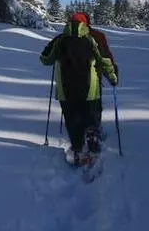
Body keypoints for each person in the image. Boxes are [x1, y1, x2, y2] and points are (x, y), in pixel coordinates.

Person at [40, 12, 118, 165]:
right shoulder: (95, 37)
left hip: (65, 90)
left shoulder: (60, 39)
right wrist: (113, 78)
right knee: (91, 116)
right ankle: (92, 145)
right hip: (90, 89)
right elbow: (105, 60)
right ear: (86, 23)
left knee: (72, 119)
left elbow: (45, 59)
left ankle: (77, 149)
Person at [82, 12, 119, 142]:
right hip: (93, 77)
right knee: (94, 105)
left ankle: (78, 131)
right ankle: (93, 131)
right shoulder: (98, 36)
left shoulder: (66, 37)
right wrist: (112, 72)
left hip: (70, 79)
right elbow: (105, 56)